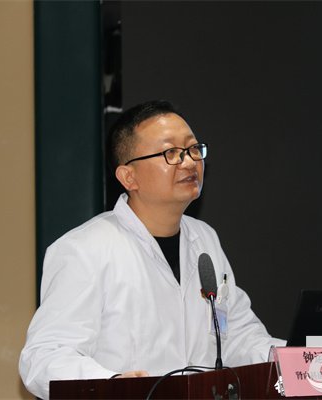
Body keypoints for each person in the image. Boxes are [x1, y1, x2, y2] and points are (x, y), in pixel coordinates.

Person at [19, 100, 285, 399]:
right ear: (128, 177)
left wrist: (297, 359)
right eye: (171, 153)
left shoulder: (205, 239)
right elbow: (44, 357)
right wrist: (113, 384)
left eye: (193, 149)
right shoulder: (84, 249)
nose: (189, 162)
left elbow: (236, 334)